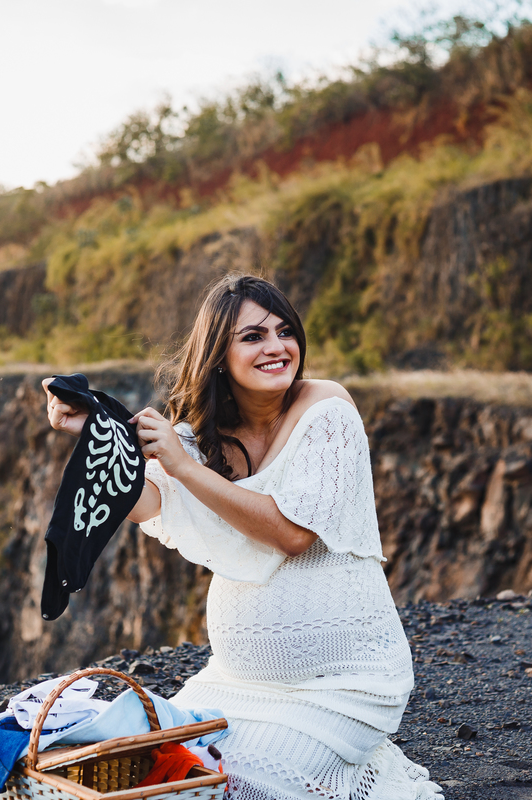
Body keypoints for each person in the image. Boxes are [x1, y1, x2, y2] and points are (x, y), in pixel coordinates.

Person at [43, 274, 441, 800]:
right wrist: (90, 427)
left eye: (284, 332)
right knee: (164, 770)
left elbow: (292, 533)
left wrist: (183, 466)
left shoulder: (327, 409)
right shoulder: (200, 435)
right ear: (217, 354)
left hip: (345, 684)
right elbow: (146, 502)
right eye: (253, 337)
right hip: (234, 682)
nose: (276, 348)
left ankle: (358, 768)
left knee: (246, 787)